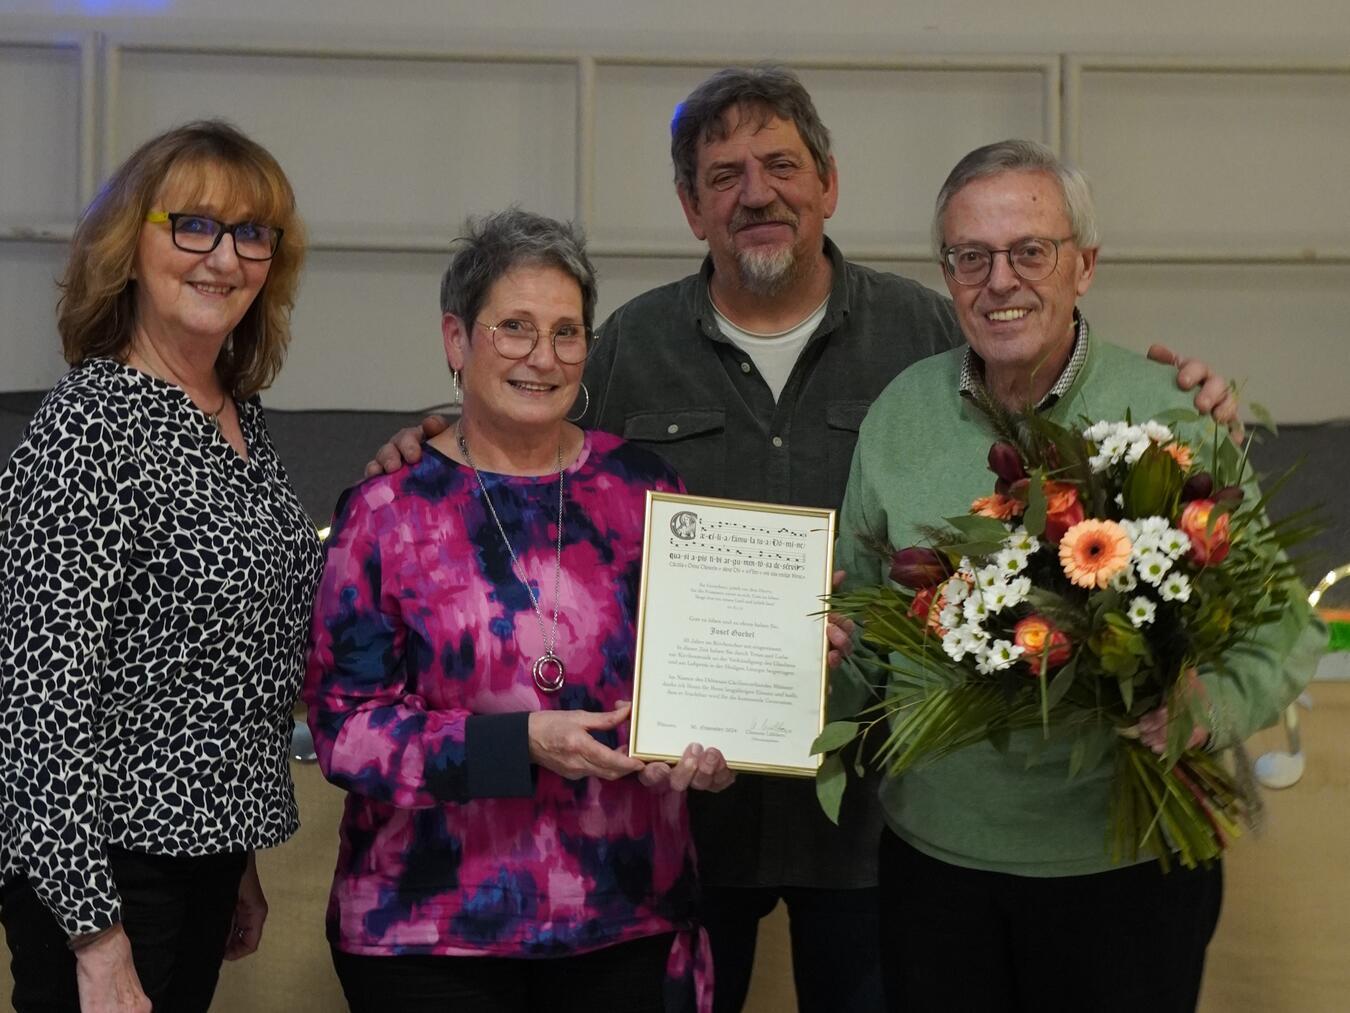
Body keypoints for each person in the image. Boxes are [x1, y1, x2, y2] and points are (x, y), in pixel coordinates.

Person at [366, 67, 1238, 1013]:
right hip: (684, 820)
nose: (757, 193)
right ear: (690, 207)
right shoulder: (624, 345)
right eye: (724, 175)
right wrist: (438, 437)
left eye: (781, 164)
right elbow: (535, 448)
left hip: (873, 827)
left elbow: (1047, 393)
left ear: (829, 182)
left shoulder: (927, 332)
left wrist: (1193, 407)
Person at [835, 139, 1326, 1013]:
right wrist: (812, 670)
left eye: (1031, 250)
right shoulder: (900, 414)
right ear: (945, 272)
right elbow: (859, 626)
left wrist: (1208, 709)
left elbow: (1285, 625)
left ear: (1085, 265)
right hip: (935, 866)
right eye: (970, 257)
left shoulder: (1174, 411)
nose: (1000, 280)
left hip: (1127, 867)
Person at [304, 209, 735, 1013]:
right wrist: (518, 743)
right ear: (457, 341)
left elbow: (699, 674)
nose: (544, 356)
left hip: (630, 916)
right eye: (515, 328)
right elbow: (346, 732)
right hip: (430, 933)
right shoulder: (385, 510)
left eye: (568, 332)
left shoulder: (649, 489)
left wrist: (718, 738)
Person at [0, 121, 322, 1013]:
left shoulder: (240, 418)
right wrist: (96, 940)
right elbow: (36, 709)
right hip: (102, 876)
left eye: (252, 233)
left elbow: (220, 665)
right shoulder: (89, 426)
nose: (224, 256)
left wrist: (238, 856)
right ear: (128, 244)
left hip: (205, 857)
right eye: (194, 225)